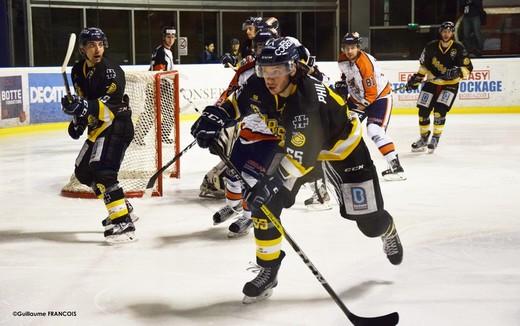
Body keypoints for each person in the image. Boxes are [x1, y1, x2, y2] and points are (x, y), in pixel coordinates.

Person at [191, 37, 403, 303]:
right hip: (297, 150)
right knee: (265, 204)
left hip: (344, 153)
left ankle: (388, 229)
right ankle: (268, 269)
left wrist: (268, 183)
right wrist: (213, 116)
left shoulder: (307, 102)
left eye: (277, 71)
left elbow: (300, 160)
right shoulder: (260, 85)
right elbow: (237, 103)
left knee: (369, 224)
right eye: (265, 70)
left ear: (294, 69)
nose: (269, 77)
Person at [61, 27, 137, 243]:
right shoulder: (78, 71)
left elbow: (109, 104)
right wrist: (78, 118)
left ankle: (124, 223)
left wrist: (83, 106)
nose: (97, 49)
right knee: (84, 171)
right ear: (83, 49)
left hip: (117, 124)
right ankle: (123, 206)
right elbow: (85, 102)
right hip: (99, 127)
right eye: (92, 45)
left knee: (104, 171)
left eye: (101, 44)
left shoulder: (111, 71)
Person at [337, 32, 405, 181]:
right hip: (358, 97)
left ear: (358, 48)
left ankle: (396, 166)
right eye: (346, 48)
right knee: (342, 127)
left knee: (374, 130)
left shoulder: (365, 65)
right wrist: (343, 83)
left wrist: (360, 107)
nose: (349, 51)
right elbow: (347, 75)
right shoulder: (342, 59)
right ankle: (346, 166)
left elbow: (371, 95)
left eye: (353, 47)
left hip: (379, 98)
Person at [406, 21, 473, 153]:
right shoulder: (431, 46)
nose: (446, 34)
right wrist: (417, 79)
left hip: (450, 85)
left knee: (439, 112)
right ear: (440, 32)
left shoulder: (459, 48)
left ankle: (435, 137)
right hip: (431, 82)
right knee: (423, 112)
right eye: (444, 31)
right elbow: (424, 66)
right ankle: (424, 138)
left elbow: (468, 68)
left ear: (452, 33)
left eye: (449, 31)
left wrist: (457, 71)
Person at [134, 26, 177, 145]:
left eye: (173, 37)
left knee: (168, 112)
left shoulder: (164, 50)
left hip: (162, 85)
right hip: (159, 85)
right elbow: (159, 72)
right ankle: (138, 136)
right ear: (164, 37)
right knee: (151, 113)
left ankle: (162, 135)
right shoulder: (161, 52)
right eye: (168, 37)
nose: (170, 39)